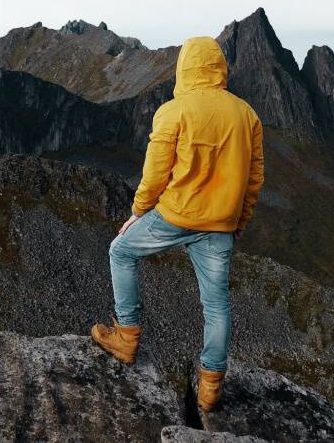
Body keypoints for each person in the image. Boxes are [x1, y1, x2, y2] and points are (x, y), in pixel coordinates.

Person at [90, 36, 264, 413]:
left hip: (175, 215)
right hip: (220, 223)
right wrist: (239, 221)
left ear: (184, 67)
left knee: (120, 251)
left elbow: (155, 174)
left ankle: (126, 336)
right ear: (219, 67)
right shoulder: (246, 115)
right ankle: (210, 387)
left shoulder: (173, 111)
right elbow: (254, 178)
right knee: (216, 305)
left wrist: (138, 211)